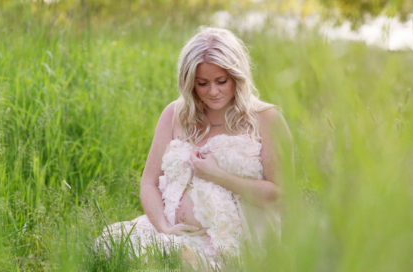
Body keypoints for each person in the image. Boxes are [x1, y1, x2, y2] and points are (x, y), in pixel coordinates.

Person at [96, 26, 293, 270]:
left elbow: (281, 197)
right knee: (111, 246)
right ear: (189, 83)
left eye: (222, 81)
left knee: (178, 263)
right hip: (173, 231)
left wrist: (218, 176)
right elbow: (148, 182)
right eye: (202, 83)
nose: (213, 92)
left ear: (237, 77)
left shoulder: (267, 119)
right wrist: (164, 228)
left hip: (237, 243)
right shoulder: (174, 114)